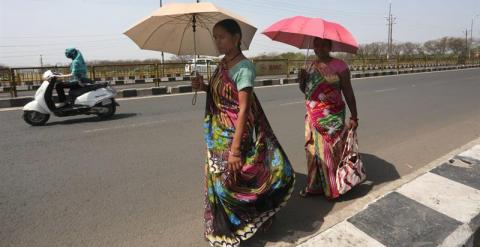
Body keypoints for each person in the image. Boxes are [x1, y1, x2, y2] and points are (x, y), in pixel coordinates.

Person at [192, 19, 295, 247]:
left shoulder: (243, 68)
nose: (217, 42)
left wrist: (236, 150)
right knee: (220, 179)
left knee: (231, 181)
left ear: (236, 38)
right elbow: (221, 94)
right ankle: (228, 224)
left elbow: (244, 108)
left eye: (222, 37)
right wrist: (204, 87)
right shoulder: (222, 65)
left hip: (234, 134)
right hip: (218, 132)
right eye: (215, 37)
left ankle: (256, 214)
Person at [298, 37, 359, 199]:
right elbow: (306, 91)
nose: (320, 48)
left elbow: (348, 92)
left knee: (332, 151)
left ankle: (335, 186)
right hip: (313, 116)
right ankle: (314, 185)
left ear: (330, 46)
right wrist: (301, 79)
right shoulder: (309, 66)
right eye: (316, 44)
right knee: (313, 150)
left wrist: (354, 116)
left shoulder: (340, 66)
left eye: (324, 44)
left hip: (333, 116)